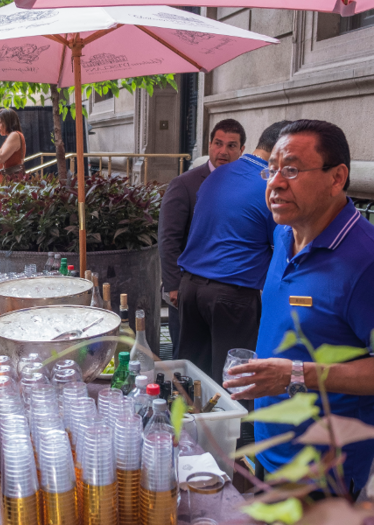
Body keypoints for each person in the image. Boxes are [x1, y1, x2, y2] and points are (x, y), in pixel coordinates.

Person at [223, 120, 374, 495]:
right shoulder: (284, 233)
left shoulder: (365, 261)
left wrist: (295, 374)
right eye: (271, 169)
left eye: (291, 169)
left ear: (336, 178)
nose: (275, 183)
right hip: (272, 451)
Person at [175, 121, 290, 383]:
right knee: (232, 382)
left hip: (191, 288)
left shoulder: (218, 173)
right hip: (231, 295)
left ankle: (184, 423)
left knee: (190, 376)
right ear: (280, 150)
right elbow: (283, 246)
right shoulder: (270, 186)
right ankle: (228, 426)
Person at [158, 118, 246, 357]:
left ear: (242, 150)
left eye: (231, 146)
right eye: (218, 143)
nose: (223, 151)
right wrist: (173, 286)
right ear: (209, 145)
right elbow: (168, 238)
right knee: (189, 360)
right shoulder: (184, 184)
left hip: (229, 293)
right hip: (188, 289)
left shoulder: (247, 186)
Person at [0, 107, 26, 184]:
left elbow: (0, 158)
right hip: (5, 188)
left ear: (8, 122)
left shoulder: (15, 135)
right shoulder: (13, 135)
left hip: (9, 187)